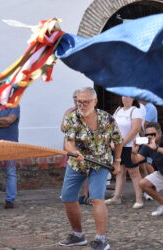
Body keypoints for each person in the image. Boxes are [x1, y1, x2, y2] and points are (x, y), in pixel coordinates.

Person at [59, 87, 122, 250]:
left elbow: (118, 140)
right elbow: (69, 142)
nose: (82, 105)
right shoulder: (71, 118)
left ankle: (101, 239)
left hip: (100, 162)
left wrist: (117, 162)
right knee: (67, 197)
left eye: (86, 101)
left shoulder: (107, 119)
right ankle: (77, 235)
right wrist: (74, 152)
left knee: (96, 198)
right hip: (77, 162)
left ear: (95, 102)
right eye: (79, 101)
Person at [105, 97, 144, 208]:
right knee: (120, 171)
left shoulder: (135, 110)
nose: (125, 98)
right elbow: (112, 126)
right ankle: (116, 197)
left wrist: (121, 143)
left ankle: (139, 199)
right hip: (118, 146)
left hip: (130, 146)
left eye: (128, 96)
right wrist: (112, 141)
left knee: (134, 173)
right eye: (123, 96)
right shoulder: (118, 110)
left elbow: (135, 130)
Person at [0, 84, 21, 209]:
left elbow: (10, 120)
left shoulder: (15, 106)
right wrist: (4, 122)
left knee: (10, 172)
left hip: (10, 144)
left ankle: (10, 199)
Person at [139, 100, 158, 200]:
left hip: (148, 137)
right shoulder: (140, 107)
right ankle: (147, 189)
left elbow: (144, 124)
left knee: (147, 164)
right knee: (142, 165)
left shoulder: (151, 108)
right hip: (141, 137)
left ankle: (153, 187)